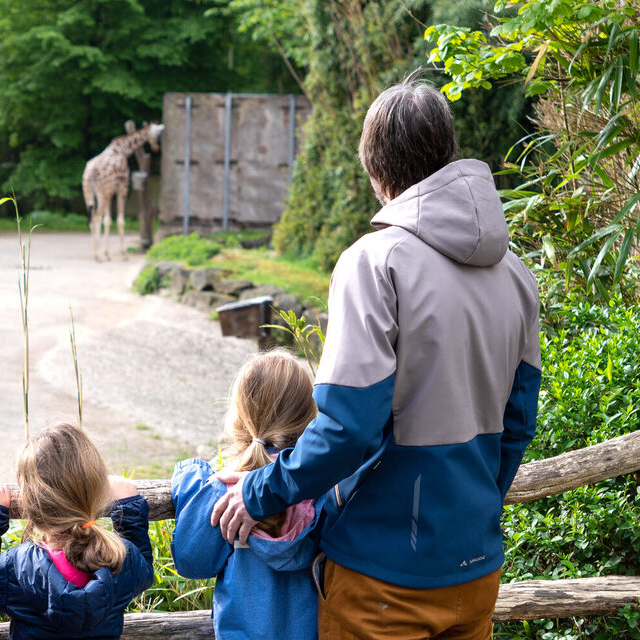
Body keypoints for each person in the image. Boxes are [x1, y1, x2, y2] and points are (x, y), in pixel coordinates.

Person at [210, 80, 542, 639]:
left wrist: (261, 490)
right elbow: (518, 427)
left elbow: (346, 427)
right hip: (476, 567)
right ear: (446, 153)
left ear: (373, 169)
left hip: (383, 579)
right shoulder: (516, 275)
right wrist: (470, 510)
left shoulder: (375, 262)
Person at [171, 350, 321, 640]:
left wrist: (193, 476)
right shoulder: (321, 490)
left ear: (239, 417)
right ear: (308, 417)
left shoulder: (227, 490)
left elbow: (190, 561)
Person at [0, 423, 154, 639]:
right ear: (97, 490)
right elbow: (144, 569)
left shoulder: (16, 567)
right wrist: (128, 509)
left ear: (30, 502)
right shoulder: (122, 558)